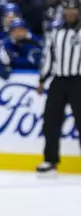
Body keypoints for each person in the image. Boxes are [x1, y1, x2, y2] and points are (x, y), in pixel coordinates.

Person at [36, 0, 81, 175]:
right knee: (50, 122)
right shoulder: (55, 31)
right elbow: (48, 56)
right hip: (58, 80)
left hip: (79, 80)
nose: (70, 13)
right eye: (67, 9)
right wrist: (42, 79)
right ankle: (50, 160)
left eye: (73, 9)